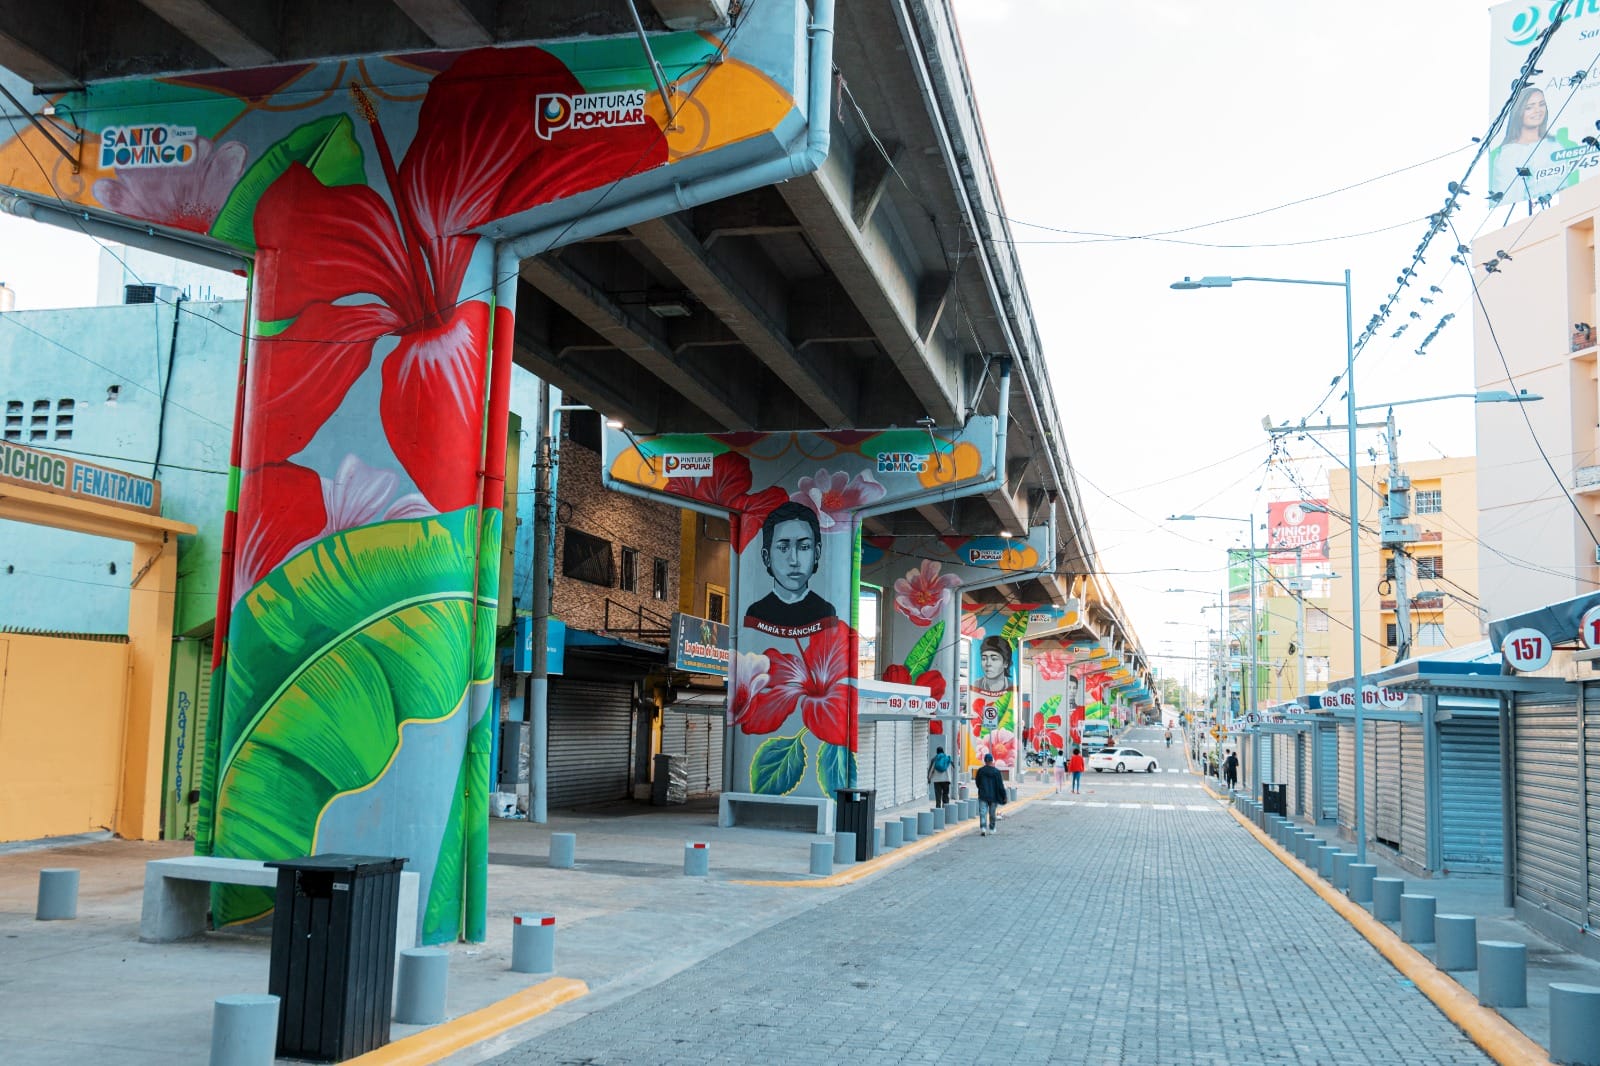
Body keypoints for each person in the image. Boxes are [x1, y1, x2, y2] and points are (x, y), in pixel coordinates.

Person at [742, 502, 836, 638]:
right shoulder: (755, 613)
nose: (794, 560)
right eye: (783, 548)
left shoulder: (826, 612)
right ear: (766, 556)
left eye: (804, 547)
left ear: (817, 552)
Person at [1489, 86, 1580, 203]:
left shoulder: (1554, 145)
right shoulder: (1508, 154)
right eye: (1529, 107)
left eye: (1541, 104)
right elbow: (1508, 199)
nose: (1538, 110)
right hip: (1531, 212)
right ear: (1518, 112)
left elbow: (1565, 187)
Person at [975, 752, 1006, 835]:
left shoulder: (980, 771)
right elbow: (1000, 785)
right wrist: (1004, 796)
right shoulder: (996, 772)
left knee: (983, 812)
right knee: (992, 813)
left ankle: (983, 828)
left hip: (983, 795)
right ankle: (992, 828)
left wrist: (981, 788)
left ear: (985, 761)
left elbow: (977, 783)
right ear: (992, 761)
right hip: (994, 796)